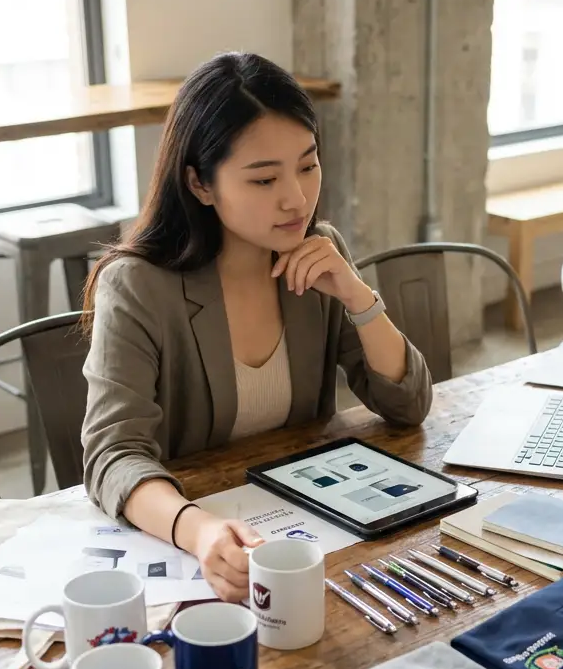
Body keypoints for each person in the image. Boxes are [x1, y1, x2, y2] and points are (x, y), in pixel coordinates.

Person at [80, 52, 434, 603]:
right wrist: (197, 530)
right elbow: (112, 455)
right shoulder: (137, 285)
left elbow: (408, 405)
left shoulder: (319, 255)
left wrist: (358, 297)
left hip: (308, 539)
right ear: (200, 183)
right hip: (197, 551)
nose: (296, 198)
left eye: (308, 166)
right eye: (265, 178)